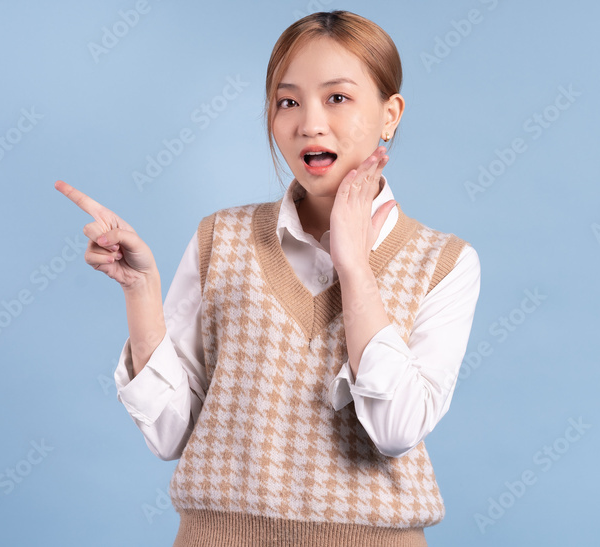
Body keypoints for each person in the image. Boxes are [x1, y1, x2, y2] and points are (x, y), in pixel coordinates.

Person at [56, 10, 480, 546]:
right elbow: (169, 435)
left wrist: (354, 267)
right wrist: (140, 291)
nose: (309, 123)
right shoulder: (221, 240)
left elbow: (396, 430)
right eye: (288, 101)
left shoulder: (443, 261)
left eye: (338, 98)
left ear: (390, 114)